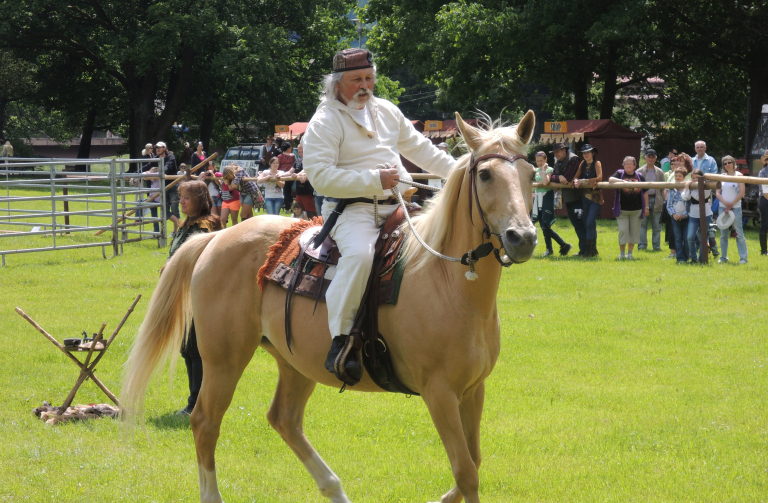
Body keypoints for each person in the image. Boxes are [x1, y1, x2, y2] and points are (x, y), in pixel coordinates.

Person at [303, 48, 454, 383]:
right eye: (356, 79)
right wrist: (374, 180)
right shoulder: (324, 121)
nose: (365, 85)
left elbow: (421, 149)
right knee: (359, 256)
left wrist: (461, 170)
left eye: (369, 78)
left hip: (398, 207)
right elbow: (320, 176)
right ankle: (341, 342)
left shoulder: (386, 110)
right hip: (351, 211)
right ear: (337, 84)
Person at [166, 180, 222, 415]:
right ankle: (194, 401)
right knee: (187, 349)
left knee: (196, 349)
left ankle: (197, 403)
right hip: (180, 293)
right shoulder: (186, 225)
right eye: (180, 197)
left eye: (186, 197)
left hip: (197, 294)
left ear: (199, 199)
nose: (182, 201)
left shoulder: (205, 226)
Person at [550, 142, 586, 255]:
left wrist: (559, 177)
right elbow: (552, 177)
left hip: (577, 198)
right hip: (568, 198)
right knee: (576, 225)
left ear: (564, 151)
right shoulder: (557, 160)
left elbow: (568, 178)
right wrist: (559, 177)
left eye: (557, 151)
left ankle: (586, 250)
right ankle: (584, 250)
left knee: (581, 225)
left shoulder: (573, 159)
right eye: (554, 152)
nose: (556, 154)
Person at [610, 156, 649, 260]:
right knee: (623, 231)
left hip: (637, 210)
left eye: (630, 164)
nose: (628, 165)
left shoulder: (639, 176)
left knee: (634, 232)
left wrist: (646, 207)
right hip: (622, 209)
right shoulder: (619, 173)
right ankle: (622, 254)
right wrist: (623, 182)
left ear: (635, 166)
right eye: (626, 164)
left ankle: (630, 254)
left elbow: (645, 192)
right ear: (623, 165)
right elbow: (610, 179)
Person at [532, 151, 570, 257]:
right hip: (538, 199)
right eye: (537, 161)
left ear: (546, 160)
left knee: (545, 225)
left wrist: (543, 170)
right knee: (542, 224)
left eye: (541, 161)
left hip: (547, 197)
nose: (539, 163)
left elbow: (545, 182)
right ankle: (549, 249)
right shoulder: (535, 170)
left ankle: (563, 244)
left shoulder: (549, 170)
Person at [715, 155, 748, 264]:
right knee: (723, 234)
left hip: (736, 207)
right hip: (722, 207)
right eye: (725, 163)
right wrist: (725, 204)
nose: (727, 165)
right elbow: (718, 193)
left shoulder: (739, 175)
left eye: (729, 162)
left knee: (739, 233)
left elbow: (742, 192)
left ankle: (743, 258)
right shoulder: (722, 176)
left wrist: (731, 204)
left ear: (734, 163)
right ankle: (723, 257)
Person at [573, 144, 602, 257]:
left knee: (590, 222)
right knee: (588, 224)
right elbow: (576, 177)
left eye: (588, 152)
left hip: (596, 198)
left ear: (592, 153)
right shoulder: (582, 164)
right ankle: (592, 250)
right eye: (584, 153)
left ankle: (589, 251)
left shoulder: (597, 163)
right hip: (585, 197)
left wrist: (583, 181)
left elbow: (600, 178)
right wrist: (576, 181)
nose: (586, 154)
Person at [681, 169, 713, 263]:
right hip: (693, 214)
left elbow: (699, 197)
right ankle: (694, 258)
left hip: (706, 214)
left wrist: (690, 189)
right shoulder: (690, 186)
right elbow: (685, 197)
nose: (694, 180)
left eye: (696, 178)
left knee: (703, 236)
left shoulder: (707, 186)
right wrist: (687, 187)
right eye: (693, 178)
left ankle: (702, 259)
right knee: (690, 237)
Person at [637, 149, 666, 251]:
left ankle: (656, 247)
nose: (650, 158)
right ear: (645, 158)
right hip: (642, 200)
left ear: (655, 158)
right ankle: (642, 246)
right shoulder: (639, 172)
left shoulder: (660, 172)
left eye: (652, 157)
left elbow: (663, 188)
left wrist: (663, 199)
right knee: (642, 224)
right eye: (649, 157)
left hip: (657, 199)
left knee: (657, 225)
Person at [155, 141, 181, 234]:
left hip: (173, 186)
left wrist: (159, 170)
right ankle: (181, 225)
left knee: (175, 209)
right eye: (156, 147)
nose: (157, 149)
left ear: (165, 148)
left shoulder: (171, 157)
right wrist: (138, 172)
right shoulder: (156, 158)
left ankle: (175, 231)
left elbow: (167, 167)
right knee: (164, 211)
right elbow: (148, 165)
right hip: (163, 187)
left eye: (159, 147)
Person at [666, 168, 689, 263]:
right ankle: (680, 258)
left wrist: (685, 214)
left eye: (680, 176)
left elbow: (689, 204)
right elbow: (669, 205)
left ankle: (687, 257)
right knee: (678, 238)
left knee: (686, 238)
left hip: (686, 217)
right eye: (676, 176)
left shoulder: (688, 189)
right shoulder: (672, 190)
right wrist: (674, 214)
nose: (677, 178)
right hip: (675, 217)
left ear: (684, 177)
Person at [293, 143, 318, 218]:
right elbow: (290, 171)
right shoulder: (297, 161)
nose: (301, 154)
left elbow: (306, 170)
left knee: (312, 215)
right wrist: (281, 175)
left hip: (309, 192)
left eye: (302, 152)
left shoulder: (311, 160)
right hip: (299, 191)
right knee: (298, 214)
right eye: (299, 152)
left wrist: (297, 175)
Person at [278, 142, 297, 211]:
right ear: (288, 148)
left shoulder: (280, 156)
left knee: (285, 191)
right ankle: (291, 206)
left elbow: (278, 165)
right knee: (289, 191)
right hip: (291, 175)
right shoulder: (293, 156)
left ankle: (287, 207)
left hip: (282, 175)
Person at [759, 150, 768, 256]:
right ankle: (764, 251)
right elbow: (764, 191)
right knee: (765, 224)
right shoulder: (763, 172)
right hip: (765, 200)